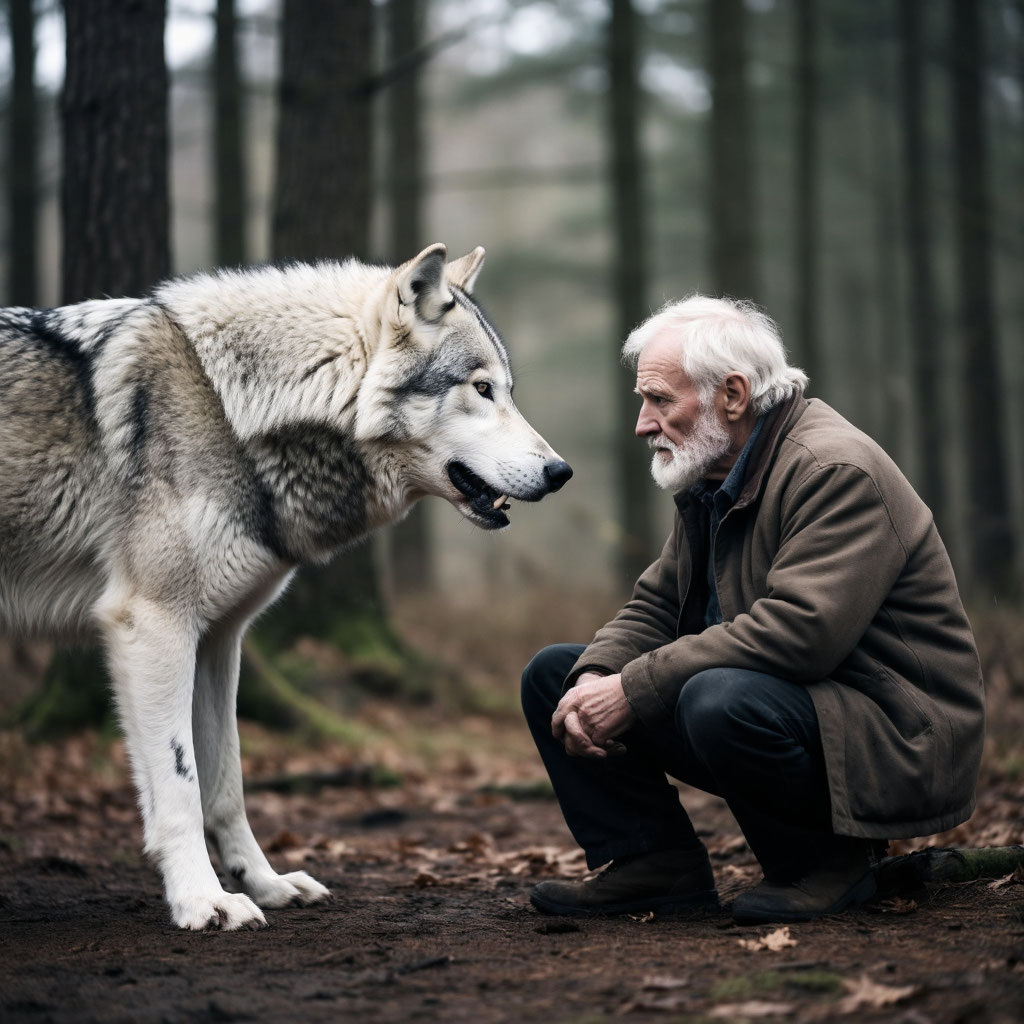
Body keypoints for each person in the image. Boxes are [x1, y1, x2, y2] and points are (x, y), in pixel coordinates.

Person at [521, 296, 984, 924]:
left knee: (717, 697)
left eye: (659, 400)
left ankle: (825, 865)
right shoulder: (718, 469)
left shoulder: (834, 469)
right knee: (556, 674)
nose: (642, 423)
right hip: (798, 707)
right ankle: (653, 864)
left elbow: (801, 634)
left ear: (733, 395)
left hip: (894, 731)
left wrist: (634, 690)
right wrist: (599, 679)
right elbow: (658, 604)